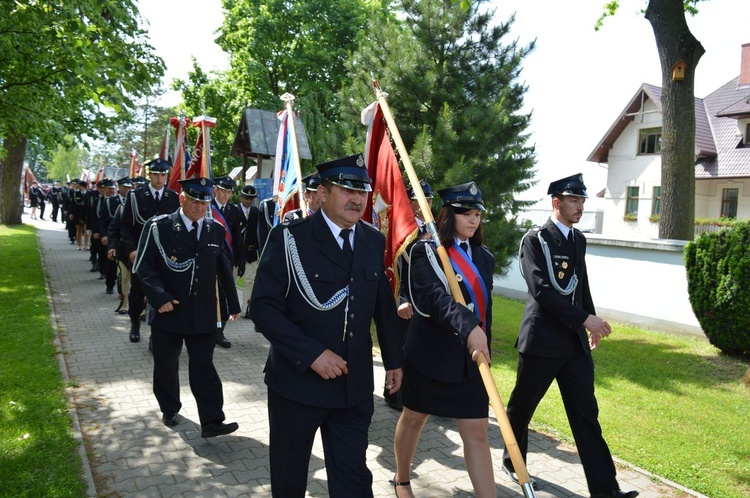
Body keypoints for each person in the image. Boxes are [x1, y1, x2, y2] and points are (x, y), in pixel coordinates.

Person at [249, 153, 404, 497]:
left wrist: (394, 360)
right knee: (289, 481)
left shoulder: (371, 239)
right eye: (348, 190)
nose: (357, 199)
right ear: (323, 193)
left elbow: (383, 306)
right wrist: (313, 354)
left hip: (353, 387)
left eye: (363, 191)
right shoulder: (290, 238)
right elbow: (263, 308)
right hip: (297, 384)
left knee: (353, 481)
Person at [501, 174, 639, 498]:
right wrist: (585, 319)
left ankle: (607, 491)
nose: (579, 207)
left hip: (573, 346)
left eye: (582, 201)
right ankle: (514, 463)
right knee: (521, 410)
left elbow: (581, 285)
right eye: (574, 201)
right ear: (556, 202)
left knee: (586, 416)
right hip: (541, 342)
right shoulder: (535, 240)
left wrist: (590, 323)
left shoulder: (578, 240)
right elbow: (543, 292)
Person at [391, 181, 495, 498]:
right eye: (465, 213)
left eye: (477, 213)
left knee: (476, 430)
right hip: (431, 356)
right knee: (414, 419)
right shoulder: (426, 252)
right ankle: (402, 479)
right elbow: (435, 300)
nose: (473, 219)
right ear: (448, 215)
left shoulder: (484, 257)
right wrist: (471, 328)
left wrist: (481, 339)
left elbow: (484, 308)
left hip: (469, 360)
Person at [133, 177, 241, 438]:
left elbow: (223, 268)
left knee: (203, 366)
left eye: (205, 202)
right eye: (194, 201)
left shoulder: (214, 229)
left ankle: (212, 420)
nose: (200, 208)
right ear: (182, 199)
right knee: (166, 365)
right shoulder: (159, 227)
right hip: (168, 310)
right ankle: (170, 407)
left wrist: (233, 303)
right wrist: (160, 298)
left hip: (202, 312)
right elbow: (143, 267)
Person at [384, 180, 433, 411]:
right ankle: (393, 393)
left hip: (426, 298)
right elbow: (402, 262)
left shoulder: (432, 228)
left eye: (430, 200)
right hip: (403, 296)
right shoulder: (404, 227)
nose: (428, 204)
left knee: (421, 349)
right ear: (410, 202)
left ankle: (416, 393)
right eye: (423, 199)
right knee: (400, 346)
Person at [120, 158, 180, 343]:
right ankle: (135, 323)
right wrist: (131, 250)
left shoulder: (173, 197)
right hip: (141, 254)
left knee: (161, 294)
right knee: (137, 293)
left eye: (163, 174)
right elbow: (126, 226)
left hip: (164, 257)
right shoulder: (135, 196)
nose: (159, 178)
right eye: (155, 174)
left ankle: (156, 335)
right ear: (150, 175)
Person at [211, 176, 245, 348]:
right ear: (215, 190)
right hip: (209, 259)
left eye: (229, 192)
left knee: (224, 296)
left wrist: (241, 258)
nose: (225, 195)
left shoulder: (233, 210)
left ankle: (219, 331)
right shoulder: (208, 207)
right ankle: (207, 330)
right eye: (223, 191)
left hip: (227, 259)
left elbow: (237, 237)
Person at [238, 185, 260, 319]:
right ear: (241, 197)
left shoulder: (256, 212)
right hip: (236, 252)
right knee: (231, 279)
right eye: (246, 198)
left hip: (251, 251)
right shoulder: (234, 210)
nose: (248, 201)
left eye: (251, 198)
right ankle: (228, 308)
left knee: (249, 281)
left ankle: (246, 309)